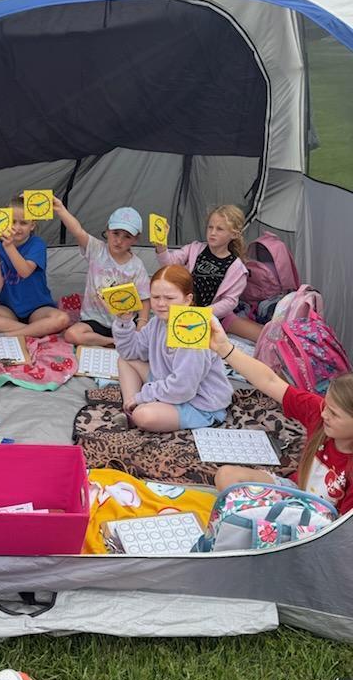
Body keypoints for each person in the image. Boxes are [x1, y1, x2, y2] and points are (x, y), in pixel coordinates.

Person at [209, 316, 353, 514]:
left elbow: (340, 529)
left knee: (247, 513)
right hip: (295, 494)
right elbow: (270, 381)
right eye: (326, 405)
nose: (324, 414)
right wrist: (224, 348)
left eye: (334, 414)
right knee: (226, 476)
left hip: (322, 523)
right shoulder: (319, 412)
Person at [113, 265, 232, 433]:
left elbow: (183, 388)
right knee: (125, 360)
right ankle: (129, 410)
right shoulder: (157, 322)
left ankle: (137, 410)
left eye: (169, 298)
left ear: (187, 299)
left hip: (199, 402)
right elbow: (130, 351)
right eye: (155, 297)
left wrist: (143, 396)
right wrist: (124, 322)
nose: (161, 304)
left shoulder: (193, 329)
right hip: (168, 383)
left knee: (144, 416)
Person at [155, 204, 262, 342]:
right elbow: (169, 264)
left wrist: (203, 314)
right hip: (184, 310)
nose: (212, 232)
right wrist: (161, 247)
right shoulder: (195, 249)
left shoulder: (237, 268)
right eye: (210, 227)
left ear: (234, 234)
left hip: (216, 316)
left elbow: (230, 301)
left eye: (219, 229)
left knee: (262, 335)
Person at [54, 199, 151, 347]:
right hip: (94, 320)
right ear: (107, 231)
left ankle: (121, 340)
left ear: (135, 239)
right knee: (71, 334)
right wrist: (60, 209)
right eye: (116, 233)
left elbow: (145, 299)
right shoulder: (97, 250)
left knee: (146, 340)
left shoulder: (137, 266)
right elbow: (77, 231)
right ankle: (112, 342)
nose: (119, 241)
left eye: (127, 236)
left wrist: (141, 325)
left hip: (124, 321)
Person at [0, 195, 69, 337]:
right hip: (9, 308)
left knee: (62, 319)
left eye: (23, 223)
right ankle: (34, 330)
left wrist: (9, 246)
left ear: (32, 225)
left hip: (38, 308)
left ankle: (11, 335)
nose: (16, 228)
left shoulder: (37, 244)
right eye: (12, 221)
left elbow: (25, 271)